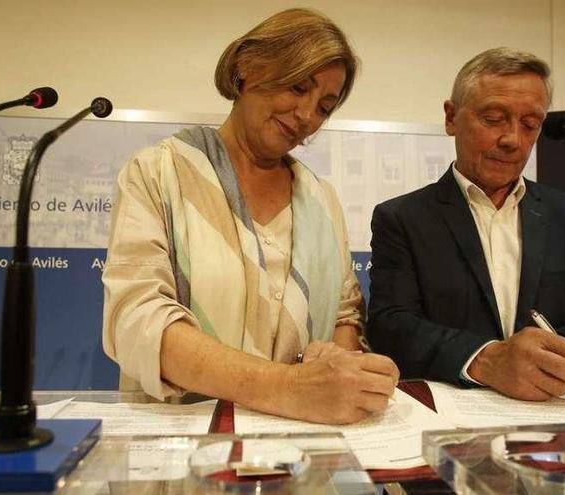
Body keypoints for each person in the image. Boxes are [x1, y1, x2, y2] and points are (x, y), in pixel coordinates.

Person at [102, 8, 398, 425]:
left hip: (296, 452)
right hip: (182, 442)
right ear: (247, 67)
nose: (307, 117)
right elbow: (137, 321)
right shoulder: (159, 173)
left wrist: (334, 359)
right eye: (298, 87)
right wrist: (290, 388)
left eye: (325, 107)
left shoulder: (320, 199)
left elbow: (343, 314)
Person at [367, 47, 565, 401]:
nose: (513, 140)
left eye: (530, 125)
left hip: (555, 418)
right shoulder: (402, 218)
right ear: (451, 118)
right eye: (493, 118)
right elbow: (390, 329)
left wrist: (545, 354)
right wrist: (489, 360)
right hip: (450, 419)